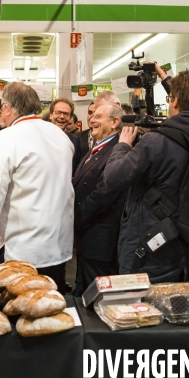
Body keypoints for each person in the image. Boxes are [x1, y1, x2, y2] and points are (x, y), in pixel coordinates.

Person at [103, 70, 189, 282]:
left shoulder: (156, 142)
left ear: (176, 101)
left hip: (147, 250)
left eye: (170, 98)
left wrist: (123, 146)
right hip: (185, 245)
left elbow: (112, 178)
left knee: (141, 312)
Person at [0, 82, 74, 292]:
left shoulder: (5, 139)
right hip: (59, 246)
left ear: (6, 108)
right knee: (51, 309)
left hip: (23, 252)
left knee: (22, 313)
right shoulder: (60, 136)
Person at [73, 104, 127, 289]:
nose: (92, 120)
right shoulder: (96, 148)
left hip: (101, 244)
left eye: (98, 117)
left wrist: (75, 217)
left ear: (115, 122)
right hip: (87, 240)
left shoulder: (116, 150)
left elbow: (105, 192)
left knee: (99, 297)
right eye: (92, 116)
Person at [50, 97, 82, 173]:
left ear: (70, 118)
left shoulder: (75, 140)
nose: (61, 117)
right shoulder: (40, 137)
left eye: (66, 114)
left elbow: (76, 166)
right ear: (51, 115)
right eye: (58, 112)